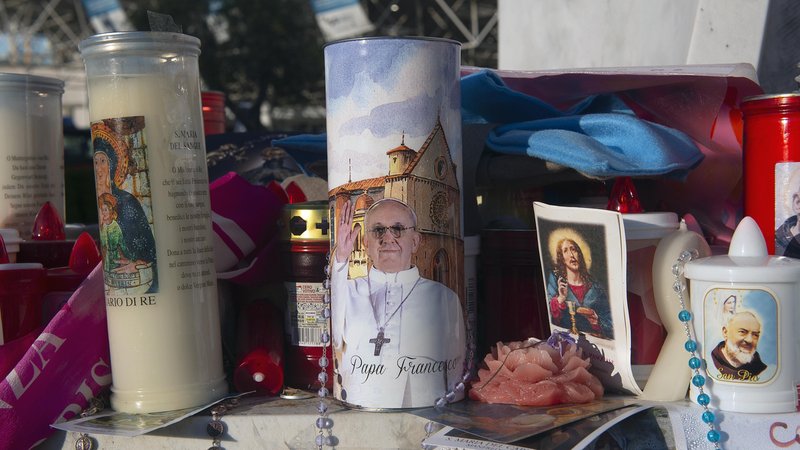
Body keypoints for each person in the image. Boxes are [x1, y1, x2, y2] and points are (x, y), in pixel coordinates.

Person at [331, 197, 465, 408]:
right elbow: (335, 340)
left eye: (398, 229)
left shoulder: (444, 298)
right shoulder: (348, 292)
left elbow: (456, 373)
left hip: (425, 412)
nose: (388, 238)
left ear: (415, 242)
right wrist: (340, 259)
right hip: (358, 409)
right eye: (378, 230)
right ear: (366, 243)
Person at [93, 139, 157, 292]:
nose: (98, 168)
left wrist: (138, 263)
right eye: (95, 162)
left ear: (112, 165)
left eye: (103, 161)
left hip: (136, 282)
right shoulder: (97, 200)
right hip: (109, 285)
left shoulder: (126, 201)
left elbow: (148, 247)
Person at [547, 237, 613, 339]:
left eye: (573, 249)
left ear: (579, 254)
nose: (571, 255)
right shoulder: (556, 282)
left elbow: (611, 322)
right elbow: (549, 319)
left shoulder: (595, 288)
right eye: (565, 251)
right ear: (562, 258)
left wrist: (597, 321)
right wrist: (560, 298)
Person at [710, 310, 767, 380]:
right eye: (742, 332)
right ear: (725, 332)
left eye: (755, 335)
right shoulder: (710, 362)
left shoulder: (762, 370)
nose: (749, 340)